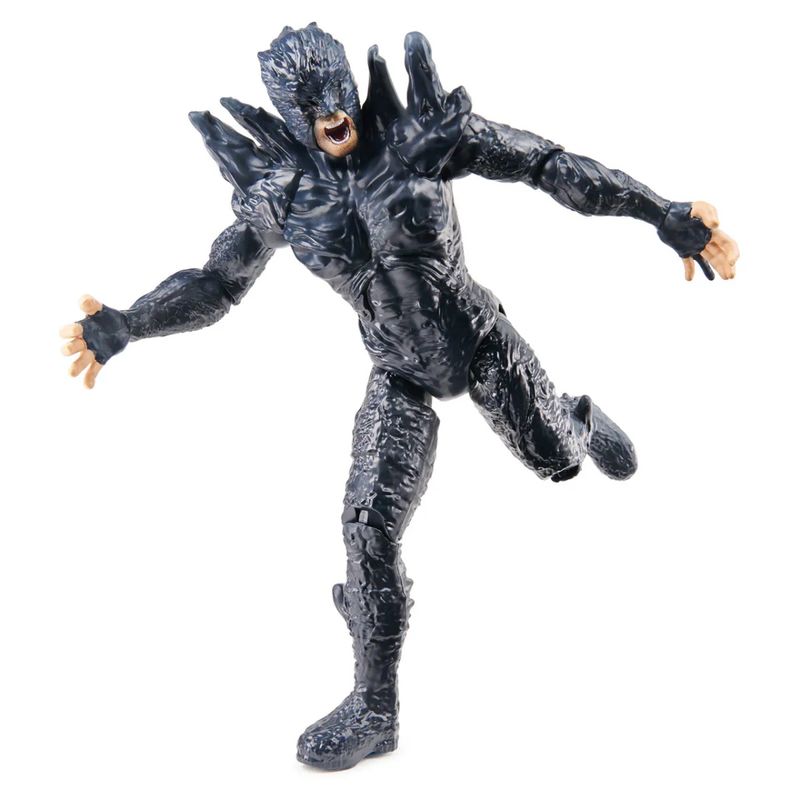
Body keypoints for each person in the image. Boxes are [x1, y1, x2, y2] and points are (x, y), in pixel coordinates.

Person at [60, 24, 740, 770]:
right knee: (367, 525)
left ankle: (576, 421)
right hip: (397, 371)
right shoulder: (284, 196)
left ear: (348, 84)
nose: (328, 109)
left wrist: (661, 213)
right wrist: (129, 323)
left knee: (551, 455)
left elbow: (545, 163)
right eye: (306, 101)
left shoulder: (418, 141)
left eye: (332, 89)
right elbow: (219, 282)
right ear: (289, 111)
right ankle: (374, 704)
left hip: (478, 339)